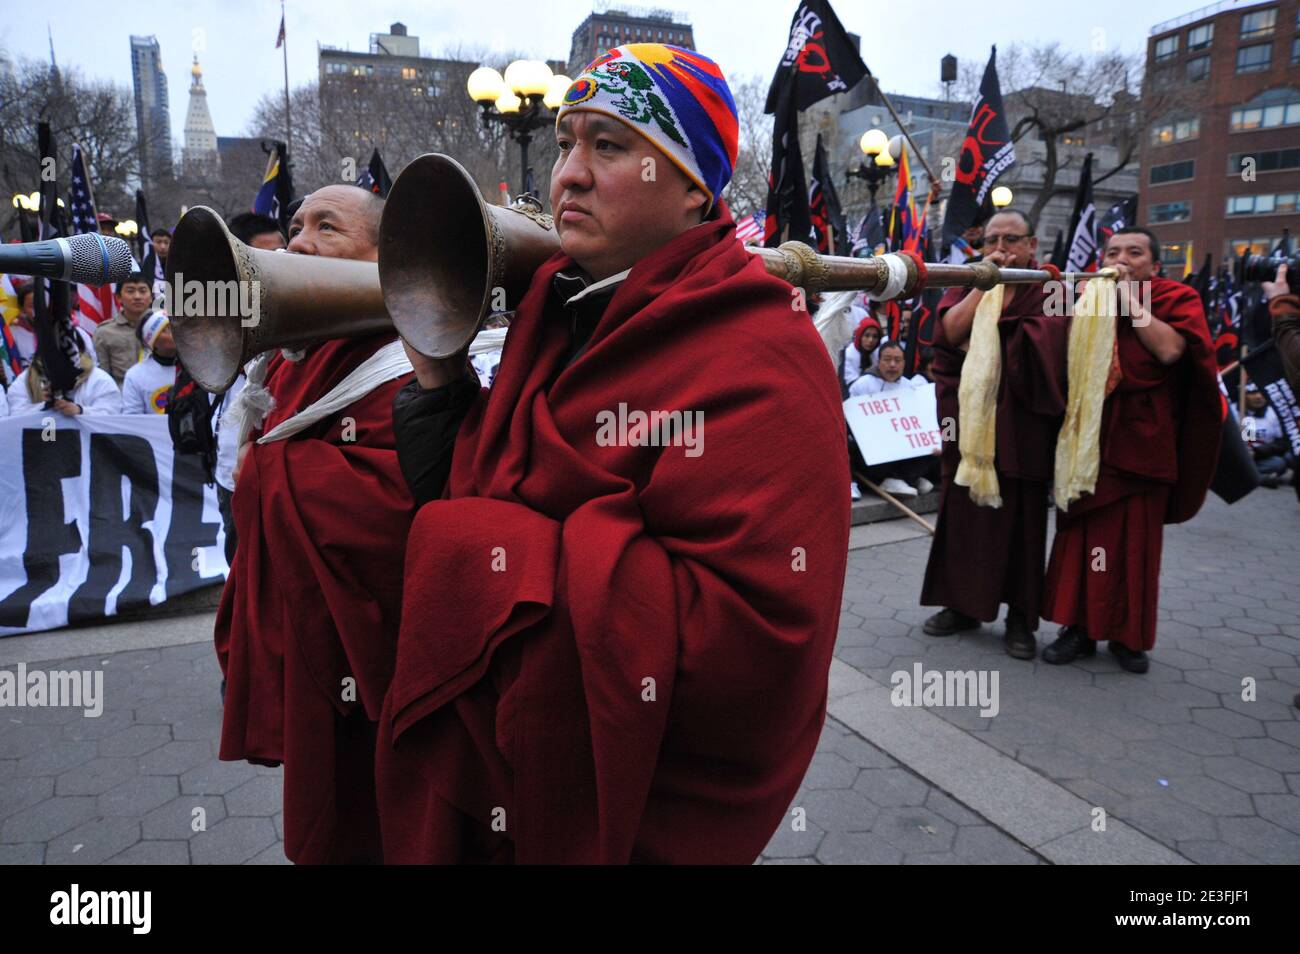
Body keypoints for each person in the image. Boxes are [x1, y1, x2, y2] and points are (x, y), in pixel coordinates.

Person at [385, 43, 849, 864]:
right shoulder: (555, 313)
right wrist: (437, 386)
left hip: (632, 793)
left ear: (693, 187)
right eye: (565, 141)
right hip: (511, 751)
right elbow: (483, 485)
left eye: (609, 146)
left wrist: (488, 558)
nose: (567, 172)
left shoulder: (762, 353)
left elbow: (755, 644)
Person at [214, 184, 417, 864]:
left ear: (384, 257)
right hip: (314, 642)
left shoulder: (414, 354)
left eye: (327, 227)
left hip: (376, 658)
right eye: (296, 225)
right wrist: (265, 478)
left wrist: (270, 476)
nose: (298, 243)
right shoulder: (293, 353)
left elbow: (398, 511)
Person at [1040, 227, 1221, 673]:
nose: (1121, 260)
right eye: (1113, 252)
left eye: (1134, 253)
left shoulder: (1175, 297)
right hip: (1089, 440)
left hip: (1142, 440)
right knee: (1084, 540)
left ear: (1155, 265)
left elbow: (1170, 350)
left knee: (1133, 546)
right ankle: (1077, 628)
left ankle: (1127, 635)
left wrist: (1129, 301)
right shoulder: (1085, 298)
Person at [919, 209, 1069, 660]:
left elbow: (1052, 346)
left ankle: (1020, 619)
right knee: (964, 520)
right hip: (972, 427)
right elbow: (948, 333)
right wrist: (989, 293)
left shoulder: (1050, 288)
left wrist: (993, 335)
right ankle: (961, 605)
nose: (1000, 250)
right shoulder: (971, 281)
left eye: (1010, 241)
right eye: (991, 241)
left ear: (1031, 246)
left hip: (1021, 428)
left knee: (1022, 527)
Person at [848, 341, 937, 497]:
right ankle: (904, 479)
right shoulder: (862, 385)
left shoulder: (910, 387)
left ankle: (906, 478)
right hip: (874, 447)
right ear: (879, 361)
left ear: (903, 364)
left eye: (897, 360)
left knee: (934, 448)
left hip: (902, 446)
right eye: (887, 359)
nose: (892, 365)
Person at [7, 341, 121, 416]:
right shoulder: (24, 381)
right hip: (43, 445)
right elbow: (15, 418)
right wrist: (45, 406)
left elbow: (112, 416)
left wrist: (80, 411)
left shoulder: (99, 380)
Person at [7, 283, 95, 369]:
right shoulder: (13, 335)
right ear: (22, 309)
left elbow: (91, 364)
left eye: (44, 303)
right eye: (32, 306)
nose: (40, 309)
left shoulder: (76, 332)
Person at [93, 272, 153, 386]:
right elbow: (102, 377)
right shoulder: (104, 332)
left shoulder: (166, 327)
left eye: (143, 291)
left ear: (151, 297)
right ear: (119, 298)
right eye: (130, 291)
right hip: (121, 398)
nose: (137, 297)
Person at [121, 312, 177, 414]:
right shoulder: (135, 376)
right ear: (152, 342)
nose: (174, 333)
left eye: (174, 327)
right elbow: (132, 418)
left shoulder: (197, 369)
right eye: (166, 330)